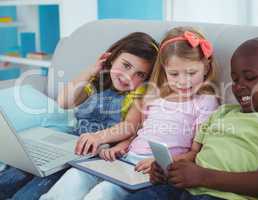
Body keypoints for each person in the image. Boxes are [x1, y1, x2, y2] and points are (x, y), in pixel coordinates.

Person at [40, 26, 220, 200]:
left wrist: (163, 164)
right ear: (164, 71)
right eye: (174, 74)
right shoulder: (153, 95)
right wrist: (121, 147)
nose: (183, 81)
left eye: (191, 72)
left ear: (206, 67)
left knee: (103, 193)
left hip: (153, 169)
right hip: (125, 158)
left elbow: (196, 152)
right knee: (75, 177)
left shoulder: (205, 102)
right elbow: (136, 130)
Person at [125, 37, 258, 200]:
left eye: (250, 78)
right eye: (235, 79)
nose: (239, 87)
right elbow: (195, 155)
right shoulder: (223, 112)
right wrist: (166, 169)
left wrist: (202, 176)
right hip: (183, 188)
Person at [0, 32, 158, 200]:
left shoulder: (138, 92)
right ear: (112, 58)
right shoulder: (96, 81)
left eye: (140, 74)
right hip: (70, 142)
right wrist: (92, 71)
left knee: (30, 192)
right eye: (126, 65)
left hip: (94, 152)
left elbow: (129, 126)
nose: (129, 77)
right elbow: (64, 102)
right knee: (14, 176)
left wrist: (98, 137)